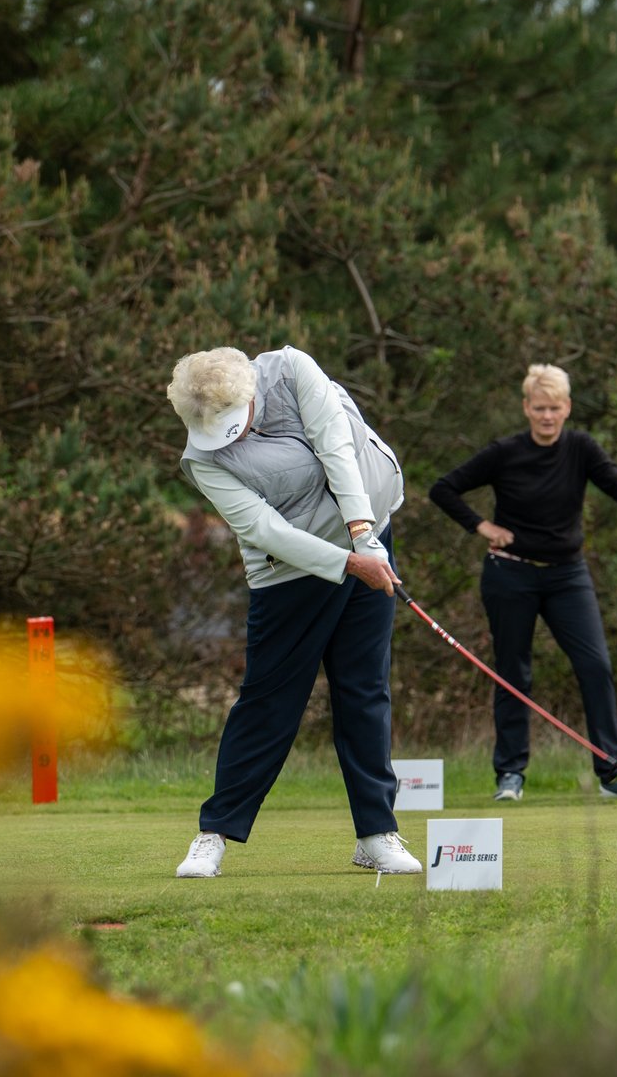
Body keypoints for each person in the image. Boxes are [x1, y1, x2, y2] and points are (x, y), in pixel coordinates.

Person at [166, 344, 422, 877]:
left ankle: (377, 833)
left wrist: (363, 534)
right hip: (291, 571)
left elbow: (336, 445)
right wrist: (350, 560)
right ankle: (213, 834)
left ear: (250, 393)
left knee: (364, 688)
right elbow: (265, 531)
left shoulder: (291, 369)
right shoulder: (200, 459)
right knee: (269, 701)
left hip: (368, 541)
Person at [428, 363, 617, 803]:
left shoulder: (580, 448)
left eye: (554, 408)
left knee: (595, 666)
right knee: (513, 673)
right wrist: (481, 526)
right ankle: (510, 774)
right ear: (526, 408)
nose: (546, 416)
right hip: (510, 574)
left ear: (567, 408)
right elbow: (444, 489)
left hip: (567, 575)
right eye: (539, 408)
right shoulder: (505, 452)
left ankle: (612, 773)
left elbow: (614, 481)